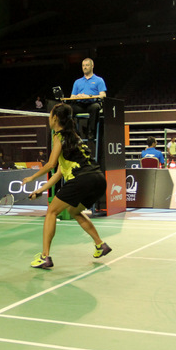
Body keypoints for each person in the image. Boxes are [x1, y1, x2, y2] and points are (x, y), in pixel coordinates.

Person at [21, 103, 111, 269]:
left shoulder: (59, 136)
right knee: (73, 210)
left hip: (82, 179)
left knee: (51, 212)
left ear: (55, 118)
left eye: (50, 115)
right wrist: (40, 190)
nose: (49, 118)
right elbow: (59, 173)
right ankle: (100, 244)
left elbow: (51, 165)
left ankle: (45, 257)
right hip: (98, 180)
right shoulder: (74, 138)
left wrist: (32, 177)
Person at [69, 58, 107, 140]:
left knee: (96, 107)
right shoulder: (77, 82)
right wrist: (77, 96)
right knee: (69, 108)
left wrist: (89, 96)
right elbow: (71, 97)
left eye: (87, 65)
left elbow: (103, 95)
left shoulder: (99, 80)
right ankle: (74, 132)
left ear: (92, 66)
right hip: (80, 105)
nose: (85, 67)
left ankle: (91, 132)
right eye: (83, 65)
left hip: (91, 104)